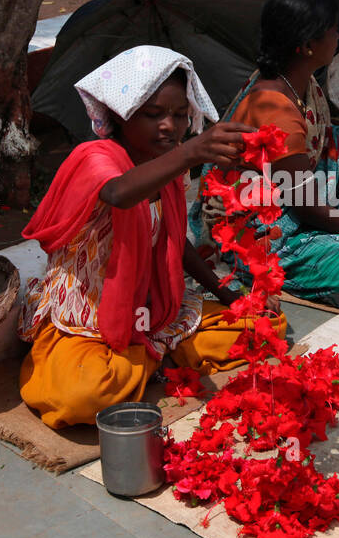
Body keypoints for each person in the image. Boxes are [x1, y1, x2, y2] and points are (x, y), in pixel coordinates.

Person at [17, 45, 284, 429]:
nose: (170, 127)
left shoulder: (170, 164)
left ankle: (148, 355)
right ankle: (154, 356)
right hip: (90, 314)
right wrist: (190, 152)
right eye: (154, 114)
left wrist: (230, 297)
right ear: (119, 115)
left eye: (180, 115)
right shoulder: (95, 158)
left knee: (260, 327)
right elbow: (119, 193)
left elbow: (175, 243)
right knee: (80, 399)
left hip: (154, 309)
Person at [189, 0, 339, 308]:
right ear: (307, 46)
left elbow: (318, 150)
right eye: (332, 31)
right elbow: (304, 205)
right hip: (265, 228)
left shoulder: (299, 81)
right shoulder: (275, 108)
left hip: (297, 191)